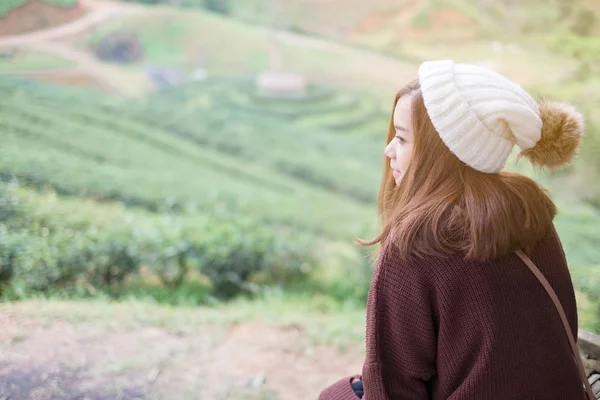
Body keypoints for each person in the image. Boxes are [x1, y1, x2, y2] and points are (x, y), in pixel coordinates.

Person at [319, 60, 587, 399]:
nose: (389, 150)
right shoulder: (530, 212)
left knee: (335, 395)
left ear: (442, 152)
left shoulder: (415, 244)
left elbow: (393, 387)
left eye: (401, 138)